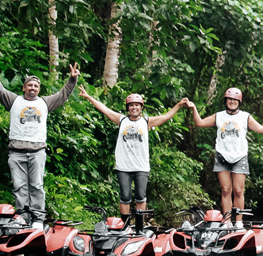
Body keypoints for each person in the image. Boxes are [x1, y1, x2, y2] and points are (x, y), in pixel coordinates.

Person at [0, 51, 79, 220]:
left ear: (39, 89)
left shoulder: (45, 103)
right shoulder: (13, 100)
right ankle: (22, 217)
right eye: (29, 85)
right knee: (19, 186)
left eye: (36, 86)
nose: (32, 88)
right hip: (16, 152)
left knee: (36, 186)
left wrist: (72, 79)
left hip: (37, 152)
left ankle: (38, 218)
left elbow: (63, 94)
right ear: (24, 88)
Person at [79, 88, 188, 218]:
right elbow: (104, 109)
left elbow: (166, 116)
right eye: (131, 105)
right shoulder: (121, 120)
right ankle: (125, 226)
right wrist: (89, 97)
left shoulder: (147, 122)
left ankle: (139, 226)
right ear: (128, 107)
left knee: (140, 196)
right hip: (123, 165)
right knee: (125, 196)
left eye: (137, 105)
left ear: (141, 107)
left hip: (141, 166)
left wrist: (179, 105)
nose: (134, 107)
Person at [187, 87, 263, 220]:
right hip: (222, 156)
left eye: (235, 100)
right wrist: (194, 108)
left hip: (239, 156)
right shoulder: (219, 116)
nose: (232, 102)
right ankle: (227, 221)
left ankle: (239, 223)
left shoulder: (245, 116)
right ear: (226, 101)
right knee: (225, 190)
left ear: (239, 102)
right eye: (230, 99)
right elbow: (199, 123)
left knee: (238, 190)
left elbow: (260, 128)